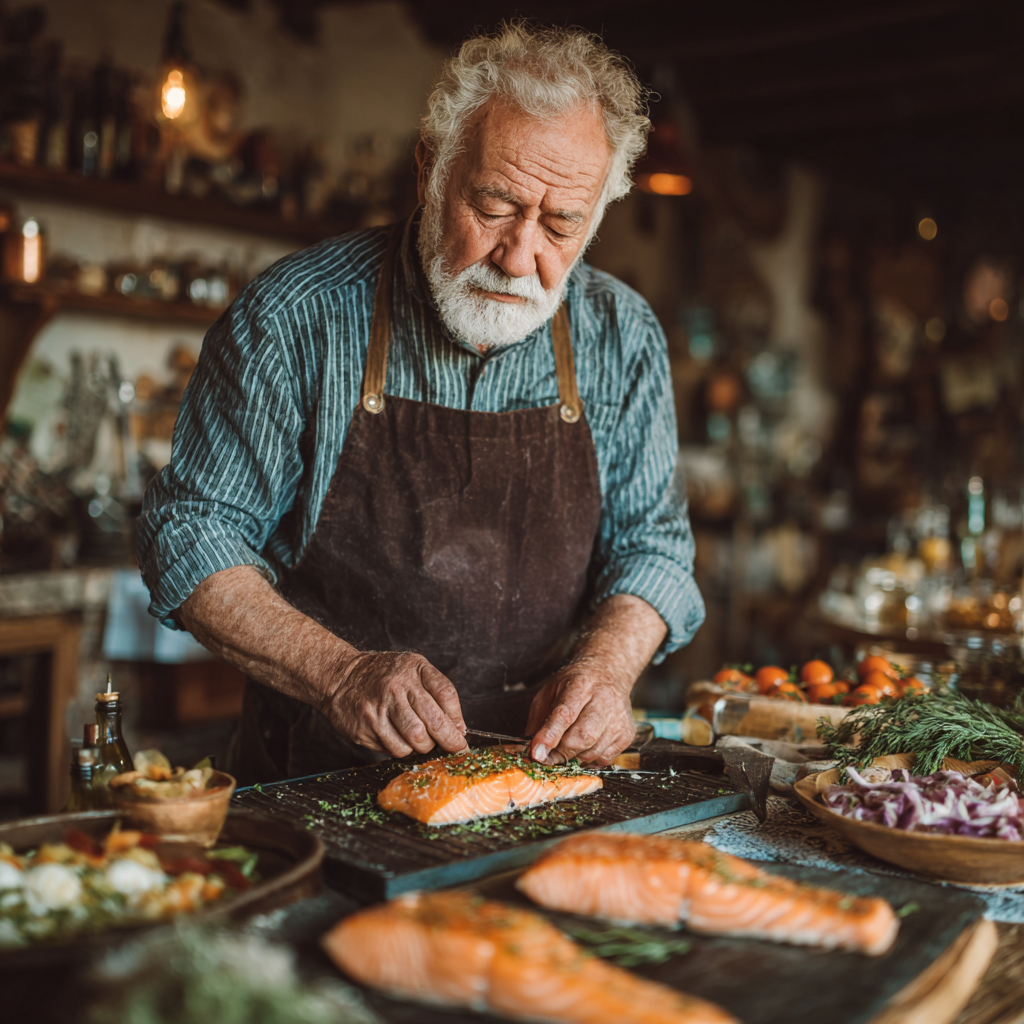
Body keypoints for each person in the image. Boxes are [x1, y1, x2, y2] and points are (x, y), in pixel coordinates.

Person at [137, 23, 704, 783]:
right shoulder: (295, 317)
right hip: (312, 775)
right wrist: (339, 673)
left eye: (562, 224)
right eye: (496, 205)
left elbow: (654, 549)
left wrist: (605, 670)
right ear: (430, 169)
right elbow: (193, 533)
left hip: (536, 782)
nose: (519, 256)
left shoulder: (623, 335)